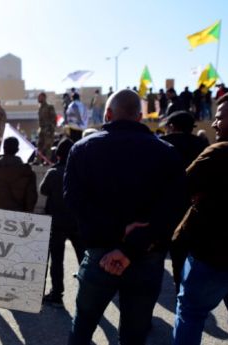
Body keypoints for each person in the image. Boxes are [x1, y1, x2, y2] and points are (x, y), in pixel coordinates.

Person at [64, 90, 187, 345]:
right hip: (146, 255)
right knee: (134, 334)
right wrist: (131, 244)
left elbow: (75, 203)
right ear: (140, 117)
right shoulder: (167, 153)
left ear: (107, 115)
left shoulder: (83, 149)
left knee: (83, 327)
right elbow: (175, 208)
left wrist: (117, 235)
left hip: (100, 255)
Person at [172, 93, 228, 345]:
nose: (215, 123)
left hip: (212, 255)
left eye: (220, 117)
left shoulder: (219, 152)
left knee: (191, 313)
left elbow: (180, 188)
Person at [160, 111, 208, 293]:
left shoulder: (162, 144)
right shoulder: (202, 145)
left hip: (166, 211)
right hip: (198, 209)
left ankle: (181, 287)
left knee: (171, 256)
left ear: (172, 126)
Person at [40, 138, 85, 308]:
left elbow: (43, 190)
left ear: (58, 155)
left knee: (57, 260)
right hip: (77, 221)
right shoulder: (80, 171)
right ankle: (87, 291)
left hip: (57, 221)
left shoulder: (54, 172)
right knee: (83, 258)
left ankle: (57, 294)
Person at [0, 137, 37, 212]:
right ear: (17, 150)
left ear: (4, 149)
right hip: (18, 214)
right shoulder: (27, 172)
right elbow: (31, 198)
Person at [37, 92, 57, 161]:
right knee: (39, 145)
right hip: (41, 129)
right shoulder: (40, 108)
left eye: (40, 97)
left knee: (48, 146)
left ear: (44, 97)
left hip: (48, 129)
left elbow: (54, 118)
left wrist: (51, 129)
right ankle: (38, 160)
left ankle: (47, 160)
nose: (38, 98)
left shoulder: (49, 107)